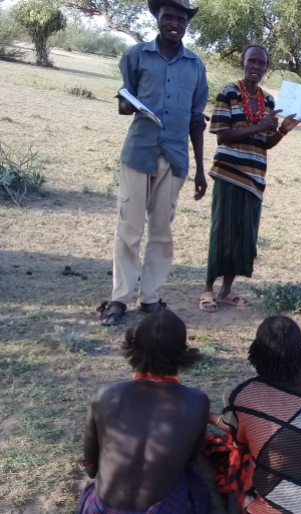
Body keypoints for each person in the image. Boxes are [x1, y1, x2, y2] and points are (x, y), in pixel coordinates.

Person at [98, 0, 209, 326]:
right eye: (168, 16)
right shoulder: (136, 55)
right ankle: (120, 298)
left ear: (187, 24)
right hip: (139, 153)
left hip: (174, 158)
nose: (174, 23)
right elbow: (125, 99)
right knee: (128, 228)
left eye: (181, 18)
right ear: (157, 18)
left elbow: (196, 119)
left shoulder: (195, 66)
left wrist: (200, 169)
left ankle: (149, 297)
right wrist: (125, 105)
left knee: (162, 232)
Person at [199, 44, 301, 312]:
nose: (256, 67)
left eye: (261, 63)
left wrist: (282, 131)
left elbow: (265, 143)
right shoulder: (229, 92)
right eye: (252, 61)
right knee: (221, 233)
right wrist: (260, 126)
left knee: (244, 238)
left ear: (266, 69)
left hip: (255, 179)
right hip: (229, 175)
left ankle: (227, 290)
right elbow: (222, 134)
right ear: (243, 63)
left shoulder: (269, 101)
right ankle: (208, 289)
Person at [207, 316, 301, 513]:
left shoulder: (239, 396)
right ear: (300, 351)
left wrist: (207, 415)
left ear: (256, 352)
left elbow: (236, 434)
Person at [79, 310, 210, 513]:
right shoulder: (197, 401)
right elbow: (189, 462)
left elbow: (90, 465)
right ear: (183, 351)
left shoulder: (103, 394)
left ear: (134, 346)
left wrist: (91, 470)